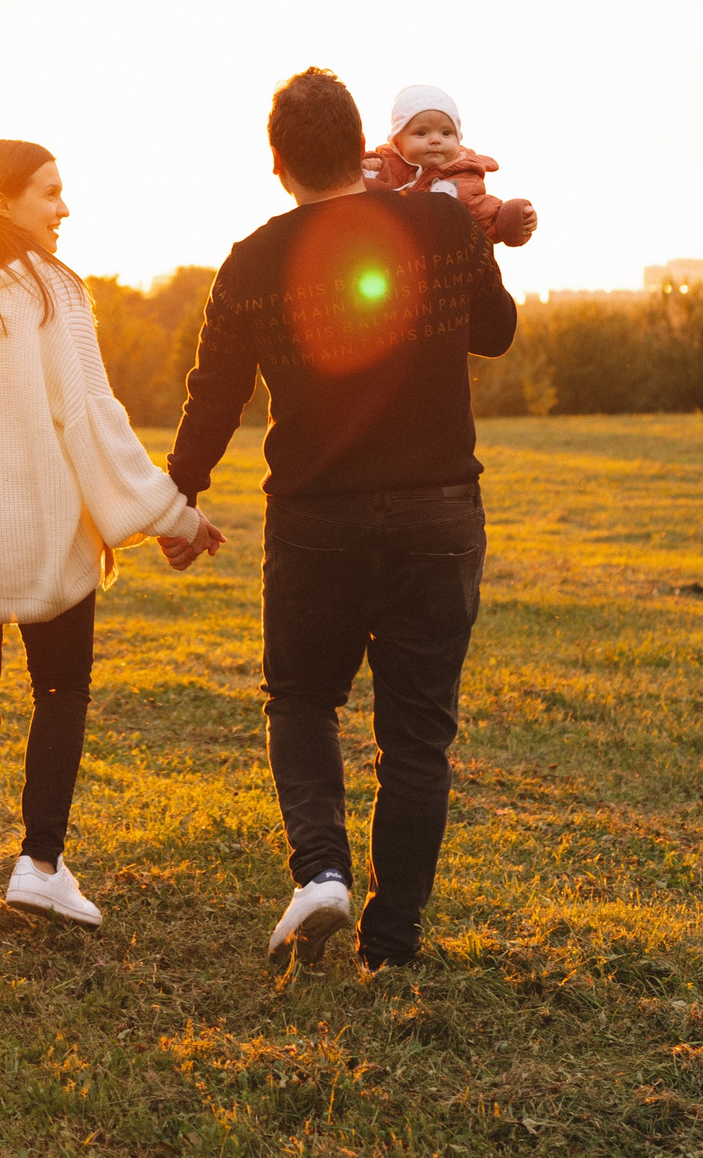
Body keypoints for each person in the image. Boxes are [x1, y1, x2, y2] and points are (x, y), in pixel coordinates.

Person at [162, 69, 518, 970]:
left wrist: (180, 496)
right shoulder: (439, 225)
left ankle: (321, 869)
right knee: (417, 734)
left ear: (278, 163)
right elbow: (496, 330)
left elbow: (217, 396)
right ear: (370, 144)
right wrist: (475, 237)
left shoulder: (250, 259)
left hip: (317, 517)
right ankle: (391, 942)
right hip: (439, 511)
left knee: (303, 698)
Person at [0, 139, 222, 945]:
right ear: (2, 201)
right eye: (49, 193)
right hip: (40, 539)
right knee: (60, 692)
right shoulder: (49, 290)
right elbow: (90, 419)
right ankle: (40, 864)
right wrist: (173, 515)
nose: (64, 209)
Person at [359, 83, 537, 247]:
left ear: (458, 139)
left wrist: (516, 217)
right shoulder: (386, 170)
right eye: (421, 133)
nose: (435, 140)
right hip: (393, 261)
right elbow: (355, 194)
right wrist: (366, 165)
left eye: (446, 133)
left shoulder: (464, 179)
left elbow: (488, 217)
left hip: (443, 266)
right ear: (397, 142)